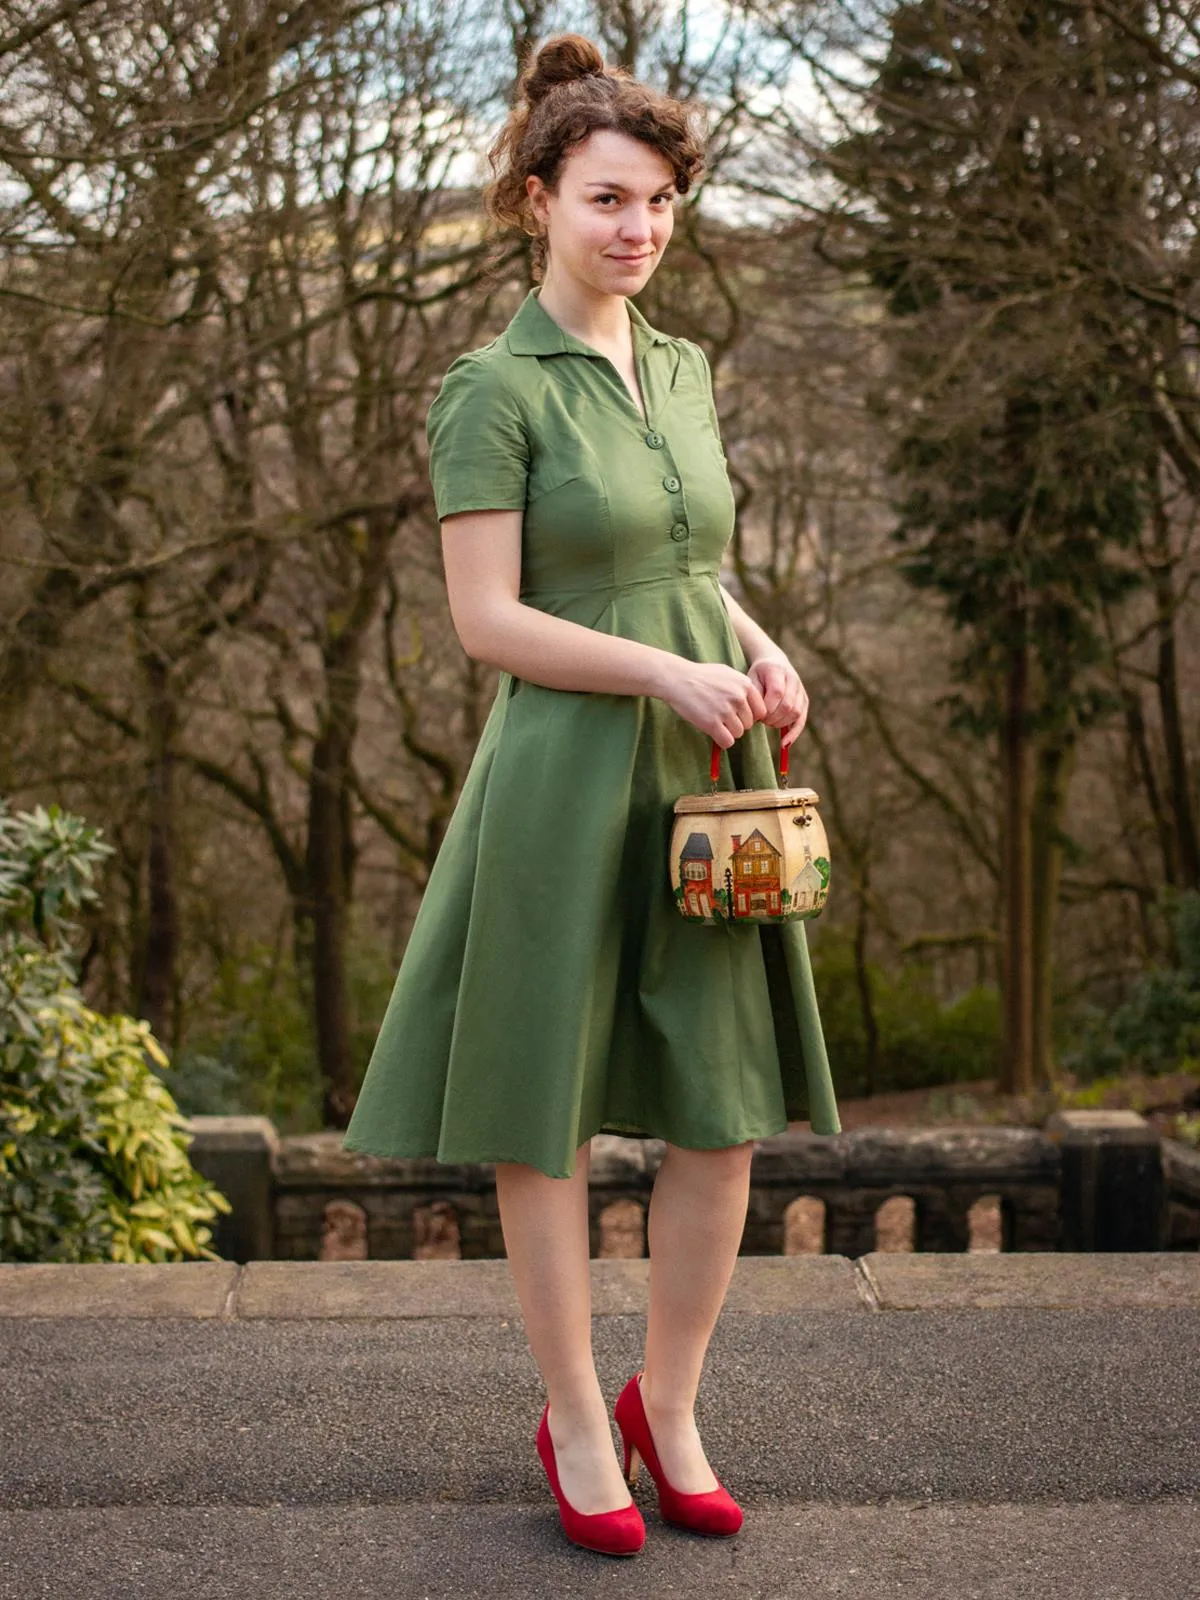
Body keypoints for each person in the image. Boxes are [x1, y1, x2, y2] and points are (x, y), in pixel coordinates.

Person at [343, 31, 842, 1557]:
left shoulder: (682, 367)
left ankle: (667, 1404)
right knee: (542, 1117)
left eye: (663, 203)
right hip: (566, 777)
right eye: (610, 200)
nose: (639, 229)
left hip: (708, 761)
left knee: (724, 1107)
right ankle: (573, 1418)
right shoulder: (489, 390)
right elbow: (489, 621)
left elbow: (689, 561)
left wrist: (758, 648)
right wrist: (660, 672)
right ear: (537, 199)